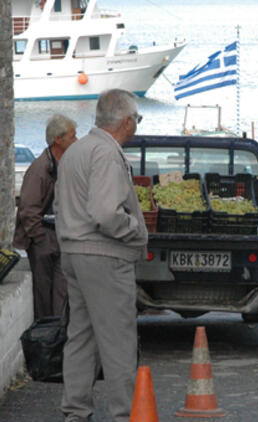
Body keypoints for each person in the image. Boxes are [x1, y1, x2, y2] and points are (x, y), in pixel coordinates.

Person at [55, 89, 148, 422]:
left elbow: (60, 205)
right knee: (118, 340)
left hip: (73, 251)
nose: (136, 124)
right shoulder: (107, 153)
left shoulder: (76, 151)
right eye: (137, 119)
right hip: (104, 256)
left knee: (81, 336)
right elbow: (106, 214)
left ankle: (75, 412)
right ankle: (124, 414)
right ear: (126, 121)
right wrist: (136, 231)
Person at [13, 114, 78, 319]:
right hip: (44, 238)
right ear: (58, 139)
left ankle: (57, 336)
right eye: (72, 136)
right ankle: (46, 338)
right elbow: (28, 208)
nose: (76, 140)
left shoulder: (64, 164)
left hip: (60, 236)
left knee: (61, 293)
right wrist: (39, 238)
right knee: (43, 295)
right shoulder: (40, 169)